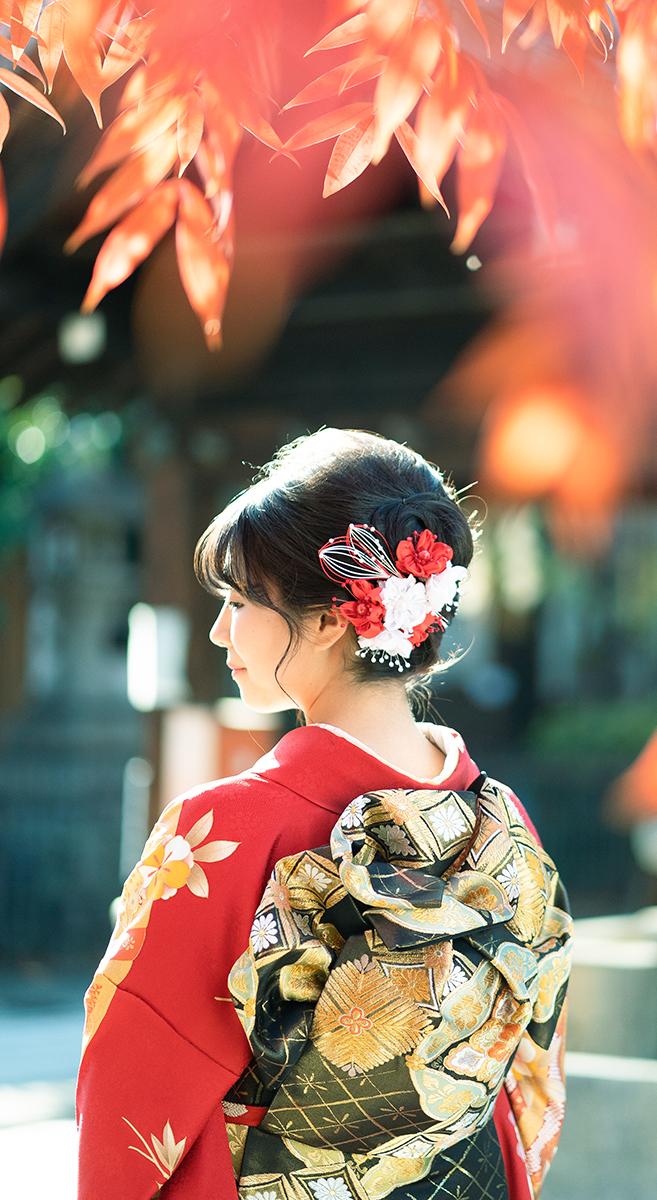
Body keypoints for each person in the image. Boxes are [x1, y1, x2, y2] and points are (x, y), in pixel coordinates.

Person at [76, 428, 570, 1200]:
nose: (219, 630)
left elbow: (131, 1105)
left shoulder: (217, 835)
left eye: (240, 602)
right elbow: (530, 1084)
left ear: (333, 618)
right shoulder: (504, 826)